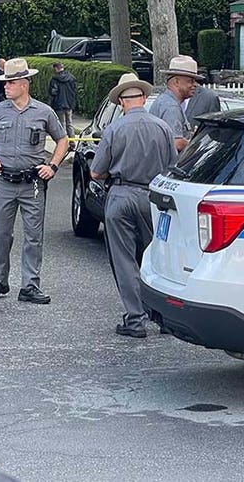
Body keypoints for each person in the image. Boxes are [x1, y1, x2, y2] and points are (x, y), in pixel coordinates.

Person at [0, 58, 69, 305]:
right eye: (5, 82)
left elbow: (63, 140)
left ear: (24, 84)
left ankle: (30, 286)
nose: (6, 87)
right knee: (1, 235)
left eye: (11, 82)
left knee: (33, 236)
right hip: (4, 182)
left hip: (32, 183)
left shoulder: (43, 112)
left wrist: (53, 166)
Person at [90, 73, 178, 338]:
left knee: (124, 259)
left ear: (121, 102)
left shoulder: (114, 129)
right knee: (158, 258)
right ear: (142, 97)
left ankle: (136, 319)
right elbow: (173, 166)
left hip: (121, 194)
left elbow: (96, 172)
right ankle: (163, 317)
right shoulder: (163, 127)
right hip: (153, 197)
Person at [149, 55, 202, 151]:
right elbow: (176, 143)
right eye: (190, 81)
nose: (195, 85)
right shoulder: (171, 107)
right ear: (176, 82)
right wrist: (194, 143)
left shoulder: (165, 101)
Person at [47, 62, 77, 139]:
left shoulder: (55, 79)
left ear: (56, 68)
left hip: (59, 104)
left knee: (61, 124)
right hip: (69, 104)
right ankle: (72, 141)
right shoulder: (71, 78)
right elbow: (74, 90)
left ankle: (64, 143)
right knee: (69, 124)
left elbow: (53, 92)